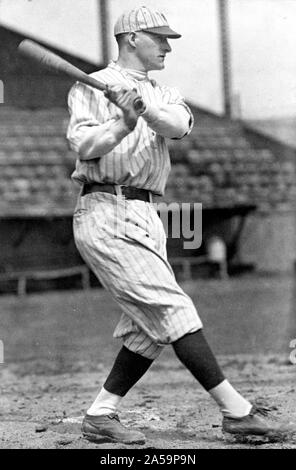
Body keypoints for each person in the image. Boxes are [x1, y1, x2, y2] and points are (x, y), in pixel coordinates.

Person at [67, 6, 295, 445]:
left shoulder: (165, 92)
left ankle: (101, 413)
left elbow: (178, 124)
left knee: (147, 326)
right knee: (173, 310)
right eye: (160, 38)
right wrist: (121, 123)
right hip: (106, 208)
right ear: (132, 38)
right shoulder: (88, 85)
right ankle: (237, 411)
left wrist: (143, 109)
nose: (168, 46)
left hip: (148, 212)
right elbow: (85, 144)